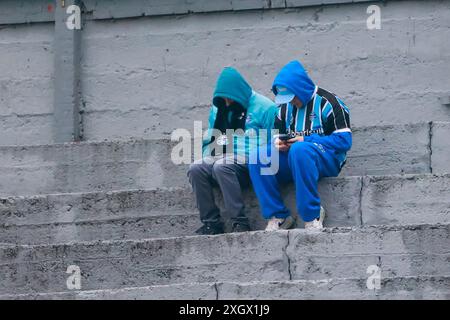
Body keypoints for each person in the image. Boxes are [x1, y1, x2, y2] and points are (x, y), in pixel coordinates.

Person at [248, 60, 352, 231]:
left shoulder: (330, 103)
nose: (291, 102)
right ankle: (278, 215)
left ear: (301, 88)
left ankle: (312, 214)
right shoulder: (283, 108)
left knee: (300, 149)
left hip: (327, 160)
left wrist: (306, 140)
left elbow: (344, 141)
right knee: (258, 156)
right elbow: (278, 136)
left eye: (293, 97)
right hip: (294, 158)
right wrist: (278, 144)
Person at [187, 67, 278, 235]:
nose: (227, 103)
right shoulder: (219, 106)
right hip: (223, 154)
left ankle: (240, 222)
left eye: (230, 99)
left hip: (250, 160)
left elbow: (273, 141)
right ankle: (211, 223)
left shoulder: (266, 107)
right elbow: (213, 136)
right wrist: (209, 155)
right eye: (223, 99)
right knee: (196, 168)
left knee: (222, 165)